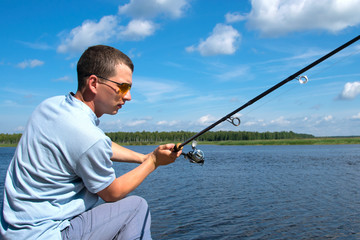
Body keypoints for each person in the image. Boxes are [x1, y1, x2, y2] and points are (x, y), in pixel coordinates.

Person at [0, 45, 182, 239]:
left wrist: (143, 157)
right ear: (94, 83)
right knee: (136, 208)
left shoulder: (51, 106)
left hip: (15, 232)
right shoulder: (86, 135)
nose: (128, 96)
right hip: (47, 234)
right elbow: (112, 193)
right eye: (123, 87)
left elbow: (99, 144)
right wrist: (153, 162)